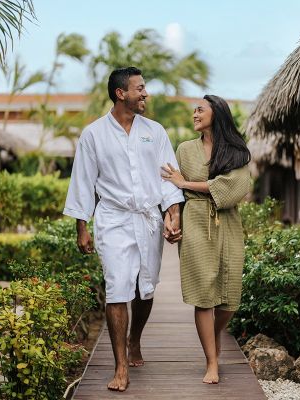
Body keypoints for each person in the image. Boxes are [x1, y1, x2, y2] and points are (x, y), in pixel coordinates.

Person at [64, 66, 184, 392]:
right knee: (117, 287)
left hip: (147, 219)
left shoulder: (155, 132)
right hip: (113, 220)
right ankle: (120, 366)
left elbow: (169, 177)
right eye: (140, 88)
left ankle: (135, 340)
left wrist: (173, 214)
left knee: (146, 288)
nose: (145, 94)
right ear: (121, 93)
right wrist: (82, 228)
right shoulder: (93, 135)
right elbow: (83, 183)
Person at [161, 95, 251, 384]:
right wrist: (172, 218)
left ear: (217, 113)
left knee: (230, 299)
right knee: (204, 296)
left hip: (229, 223)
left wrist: (186, 183)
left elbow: (235, 187)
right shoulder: (185, 150)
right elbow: (171, 191)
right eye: (194, 110)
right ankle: (212, 361)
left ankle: (213, 335)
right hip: (196, 221)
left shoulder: (237, 151)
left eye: (200, 109)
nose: (194, 114)